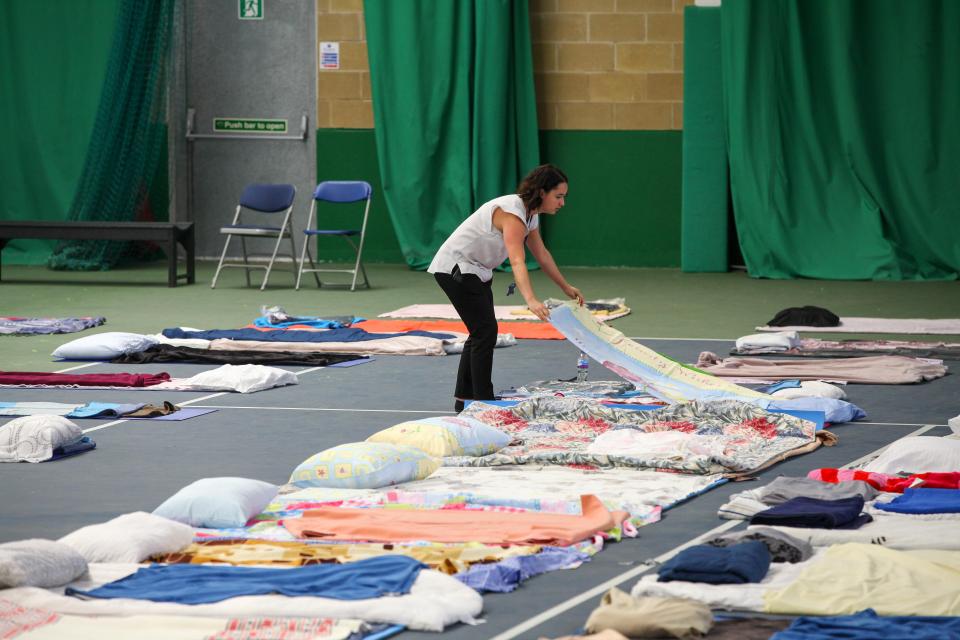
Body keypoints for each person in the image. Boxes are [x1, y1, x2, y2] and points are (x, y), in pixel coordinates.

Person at [428, 163, 584, 412]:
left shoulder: (529, 215)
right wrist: (531, 300)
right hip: (456, 268)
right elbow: (517, 260)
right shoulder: (512, 213)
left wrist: (565, 286)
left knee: (480, 331)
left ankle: (465, 398)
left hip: (475, 271)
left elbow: (541, 254)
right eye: (559, 196)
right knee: (485, 331)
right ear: (542, 192)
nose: (562, 203)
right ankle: (483, 401)